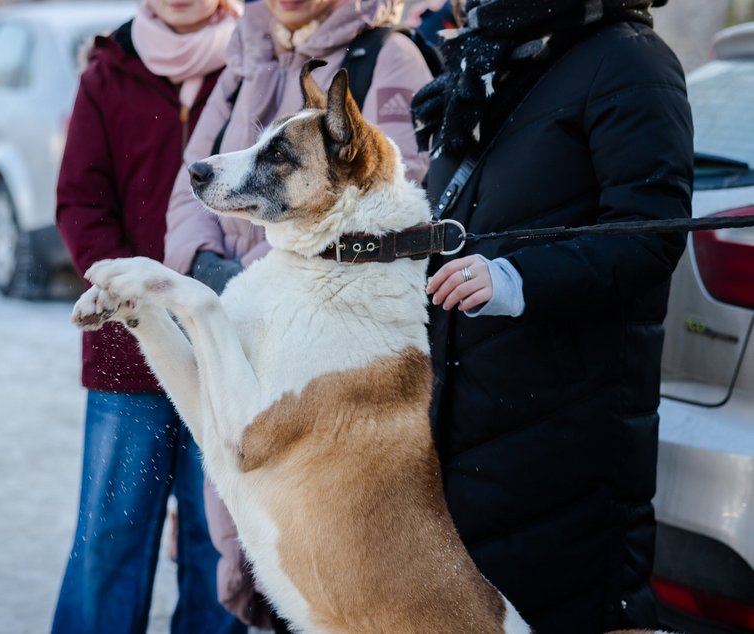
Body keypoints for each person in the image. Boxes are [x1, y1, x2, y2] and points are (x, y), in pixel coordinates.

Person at [410, 0, 692, 632]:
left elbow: (649, 235)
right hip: (466, 419)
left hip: (564, 432)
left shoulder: (629, 60)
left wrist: (516, 279)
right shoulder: (491, 63)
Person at [162, 0, 433, 628]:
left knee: (300, 545)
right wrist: (203, 268)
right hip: (232, 301)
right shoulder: (247, 56)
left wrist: (262, 283)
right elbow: (193, 180)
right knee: (233, 528)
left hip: (308, 316)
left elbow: (387, 197)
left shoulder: (387, 57)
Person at [51, 0, 247, 632]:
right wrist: (130, 291)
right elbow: (80, 201)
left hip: (226, 346)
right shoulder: (108, 73)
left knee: (217, 539)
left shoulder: (253, 64)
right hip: (126, 346)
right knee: (110, 535)